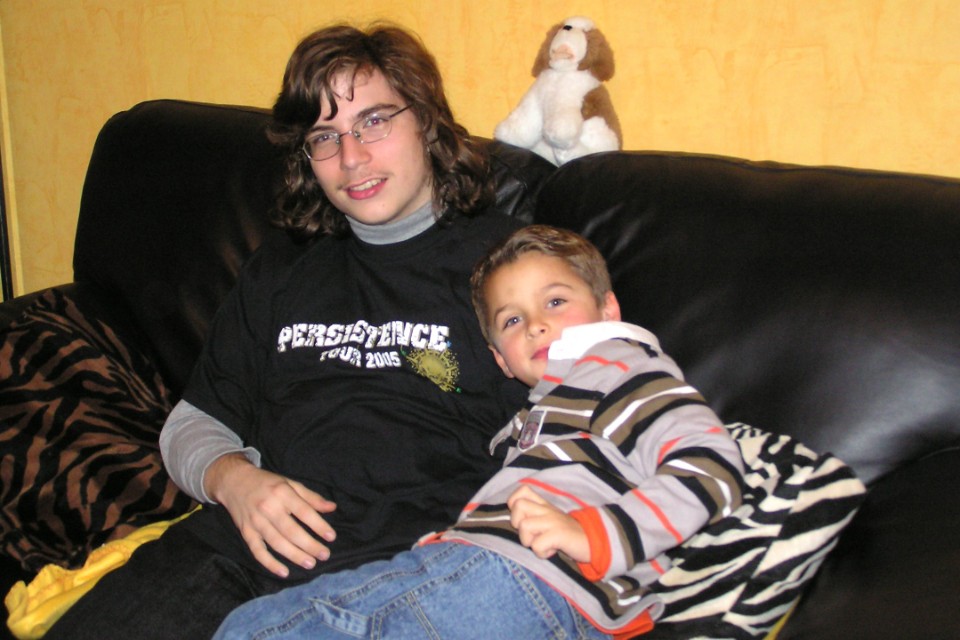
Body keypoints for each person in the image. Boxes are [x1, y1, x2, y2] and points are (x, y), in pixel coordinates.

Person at [43, 23, 537, 640]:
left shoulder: (510, 266)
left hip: (408, 565)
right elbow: (192, 424)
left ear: (427, 121)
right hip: (241, 546)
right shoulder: (285, 265)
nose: (351, 157)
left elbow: (588, 417)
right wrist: (235, 481)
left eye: (374, 122)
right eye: (324, 137)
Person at [213, 225, 747, 639]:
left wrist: (593, 534)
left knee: (255, 631)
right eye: (512, 320)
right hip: (511, 584)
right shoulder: (547, 412)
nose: (535, 324)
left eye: (555, 301)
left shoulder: (623, 370)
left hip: (524, 577)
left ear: (608, 308)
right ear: (499, 359)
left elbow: (712, 466)